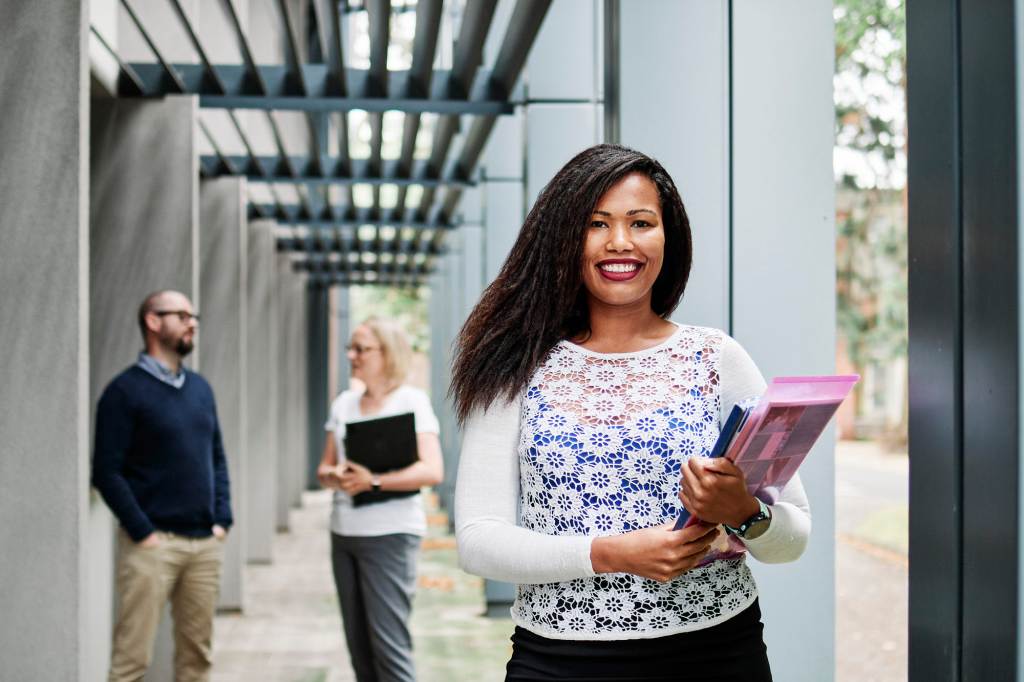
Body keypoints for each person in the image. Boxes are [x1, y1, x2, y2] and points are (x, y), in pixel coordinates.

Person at [451, 144, 811, 681]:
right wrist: (612, 553)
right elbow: (479, 541)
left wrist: (743, 510)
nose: (620, 242)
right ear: (563, 240)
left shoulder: (716, 357)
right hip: (560, 662)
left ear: (668, 237)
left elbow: (793, 540)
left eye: (641, 222)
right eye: (596, 224)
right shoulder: (514, 366)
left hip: (715, 655)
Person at [92, 290, 232, 682]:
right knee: (131, 659)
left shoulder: (201, 388)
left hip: (204, 544)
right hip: (152, 547)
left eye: (194, 316)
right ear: (153, 322)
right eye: (182, 315)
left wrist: (222, 519)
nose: (193, 323)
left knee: (197, 658)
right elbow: (106, 471)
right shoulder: (123, 392)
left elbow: (217, 458)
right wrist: (143, 531)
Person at [318, 317, 443, 682]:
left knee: (389, 647)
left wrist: (373, 481)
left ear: (387, 353)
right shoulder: (343, 404)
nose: (352, 355)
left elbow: (432, 471)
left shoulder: (411, 401)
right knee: (359, 647)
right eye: (351, 348)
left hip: (390, 535)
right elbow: (324, 469)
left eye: (361, 348)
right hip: (344, 533)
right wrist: (336, 476)